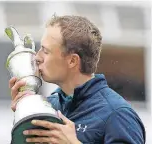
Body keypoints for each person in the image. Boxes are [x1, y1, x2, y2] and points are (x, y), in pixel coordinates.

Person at [9, 15, 145, 144]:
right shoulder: (50, 105)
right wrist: (23, 116)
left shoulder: (118, 114)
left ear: (72, 61)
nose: (37, 58)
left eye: (46, 51)